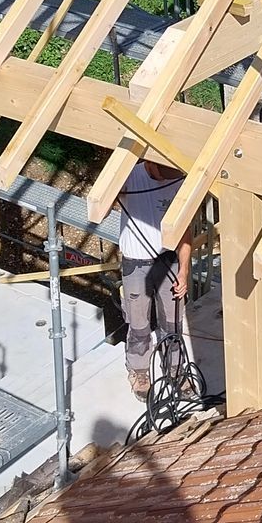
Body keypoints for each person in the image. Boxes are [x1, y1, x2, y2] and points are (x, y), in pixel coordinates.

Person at [116, 158, 192, 398]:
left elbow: (184, 231)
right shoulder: (131, 176)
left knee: (172, 324)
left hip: (167, 260)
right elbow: (105, 204)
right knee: (139, 326)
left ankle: (175, 370)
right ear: (150, 163)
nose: (167, 181)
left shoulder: (179, 181)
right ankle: (139, 371)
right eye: (162, 175)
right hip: (135, 264)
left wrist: (183, 271)